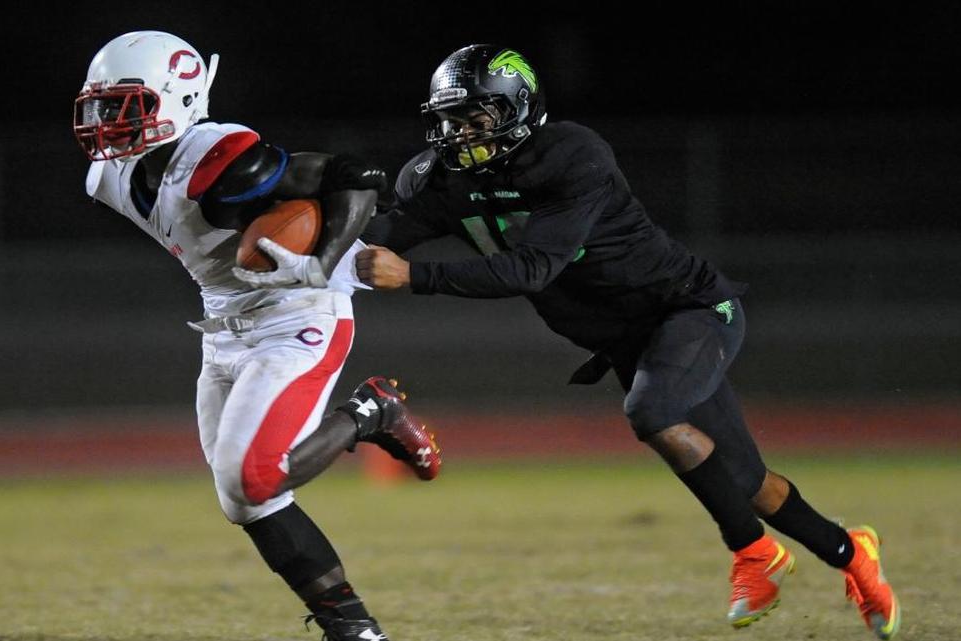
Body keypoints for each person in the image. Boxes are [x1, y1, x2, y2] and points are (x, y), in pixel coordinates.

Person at [358, 44, 900, 639]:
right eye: (449, 118)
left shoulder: (569, 155)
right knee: (745, 481)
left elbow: (534, 268)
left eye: (474, 117)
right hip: (626, 339)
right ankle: (854, 555)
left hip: (688, 310)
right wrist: (313, 250)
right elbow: (377, 240)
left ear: (517, 108)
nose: (458, 133)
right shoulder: (439, 179)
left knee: (652, 411)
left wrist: (416, 277)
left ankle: (753, 555)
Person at [73, 31, 441, 641]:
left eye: (123, 105)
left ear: (178, 96)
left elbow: (354, 175)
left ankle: (370, 410)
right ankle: (352, 627)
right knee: (244, 501)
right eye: (101, 106)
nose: (106, 122)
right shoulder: (111, 177)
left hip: (297, 312)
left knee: (254, 476)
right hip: (223, 326)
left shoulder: (219, 154)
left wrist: (321, 259)